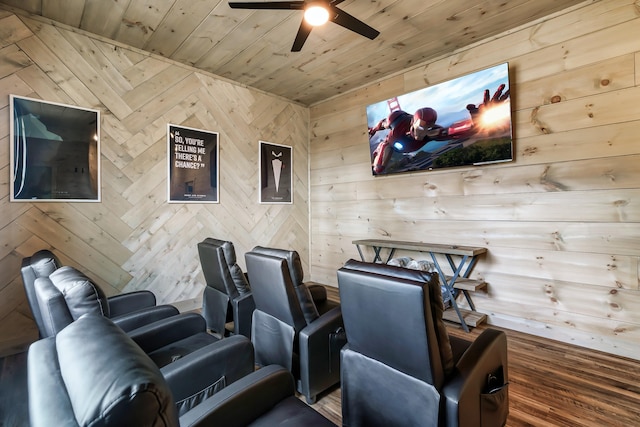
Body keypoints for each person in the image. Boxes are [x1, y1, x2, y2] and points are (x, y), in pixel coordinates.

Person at [368, 84, 509, 174]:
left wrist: (477, 119)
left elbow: (456, 131)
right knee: (378, 169)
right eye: (420, 127)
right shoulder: (398, 118)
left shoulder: (433, 133)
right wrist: (373, 130)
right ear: (413, 122)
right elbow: (383, 123)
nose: (422, 133)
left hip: (405, 148)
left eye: (426, 128)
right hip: (390, 144)